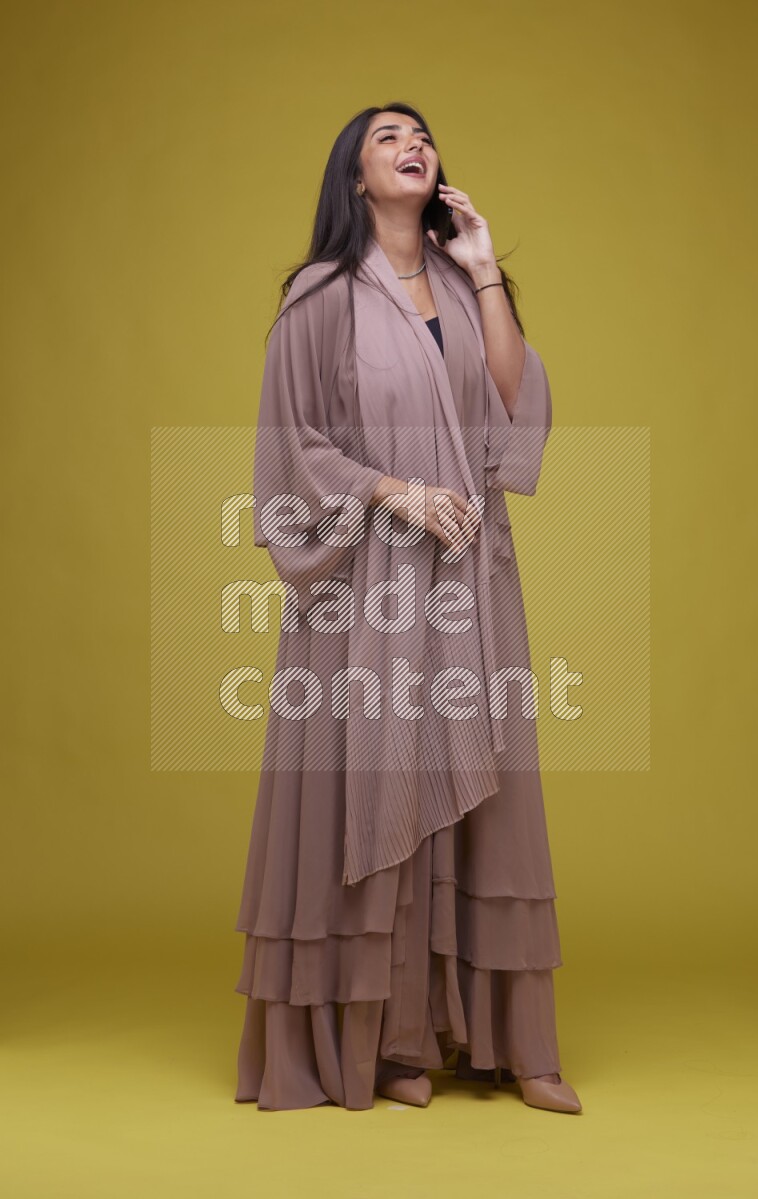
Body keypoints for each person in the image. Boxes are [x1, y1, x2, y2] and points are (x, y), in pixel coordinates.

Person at [233, 101, 582, 1114]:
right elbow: (296, 439)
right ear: (353, 176)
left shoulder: (470, 294)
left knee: (491, 790)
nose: (410, 146)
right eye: (386, 136)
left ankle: (515, 1042)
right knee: (373, 786)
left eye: (419, 135)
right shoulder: (320, 297)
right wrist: (392, 491)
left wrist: (480, 267)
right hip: (363, 580)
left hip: (471, 571)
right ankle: (385, 1042)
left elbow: (516, 407)